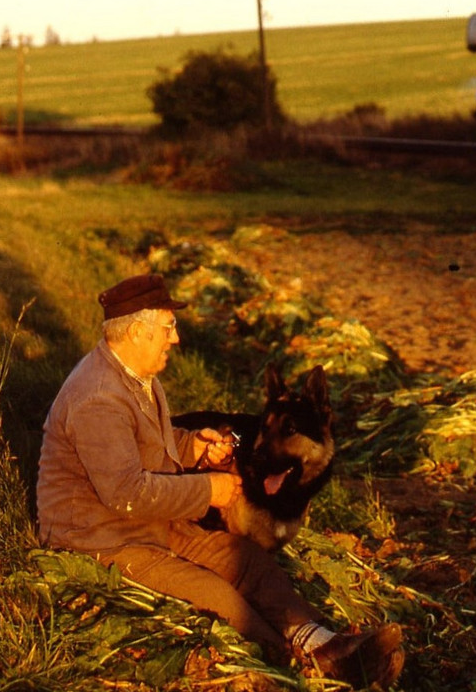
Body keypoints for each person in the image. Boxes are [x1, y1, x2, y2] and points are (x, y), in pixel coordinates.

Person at [36, 273, 404, 686]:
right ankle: (295, 664)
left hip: (144, 522)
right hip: (101, 537)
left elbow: (144, 444)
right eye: (168, 327)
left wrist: (194, 446)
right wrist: (209, 488)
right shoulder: (98, 398)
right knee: (219, 597)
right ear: (138, 331)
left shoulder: (136, 377)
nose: (175, 338)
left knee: (247, 562)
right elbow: (125, 492)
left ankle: (329, 644)